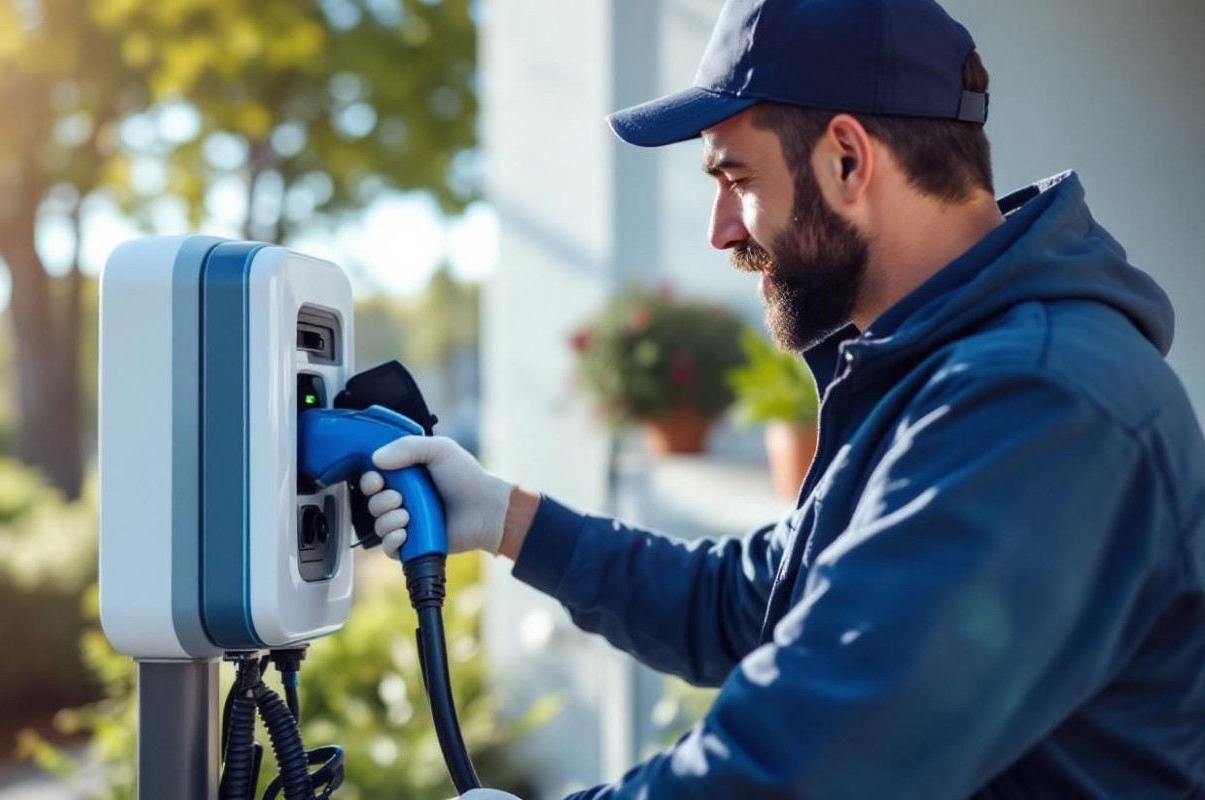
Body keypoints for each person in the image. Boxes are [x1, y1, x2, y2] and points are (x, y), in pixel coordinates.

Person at [364, 0, 1205, 796]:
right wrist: (504, 517)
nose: (721, 228)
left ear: (848, 158)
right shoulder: (940, 371)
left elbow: (811, 763)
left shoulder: (1038, 402)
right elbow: (753, 602)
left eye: (735, 177)